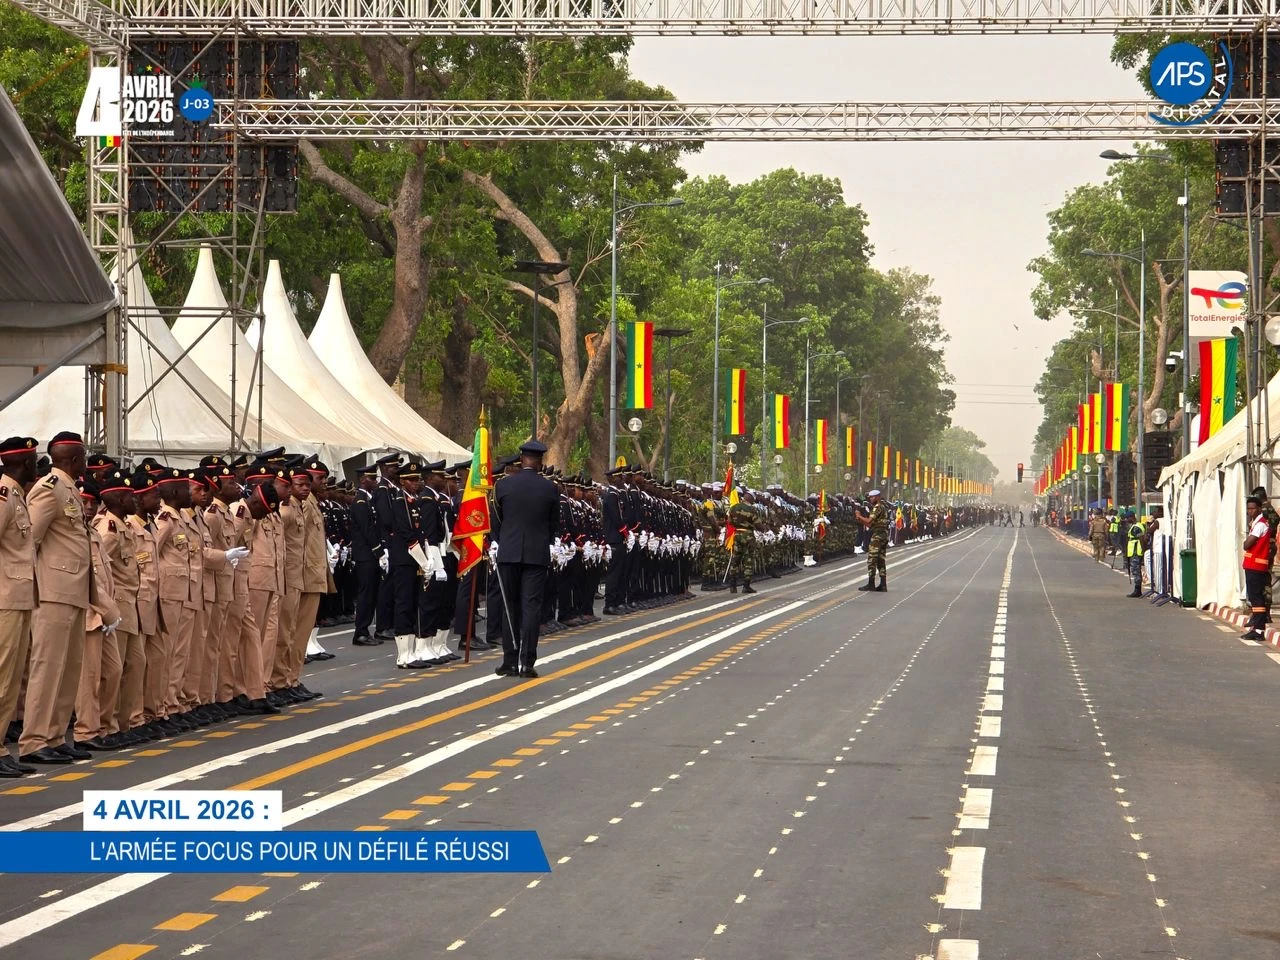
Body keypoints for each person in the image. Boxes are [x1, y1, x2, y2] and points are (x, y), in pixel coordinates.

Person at [20, 432, 100, 764]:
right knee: (47, 668)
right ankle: (33, 740)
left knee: (68, 669)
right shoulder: (49, 488)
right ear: (71, 459)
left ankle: (54, 735)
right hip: (53, 590)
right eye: (82, 457)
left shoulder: (69, 488)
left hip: (74, 590)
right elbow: (30, 541)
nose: (85, 463)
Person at [492, 439, 560, 678]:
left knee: (509, 607)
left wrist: (501, 541)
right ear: (540, 461)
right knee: (531, 608)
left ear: (521, 460)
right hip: (536, 554)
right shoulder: (550, 488)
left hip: (508, 552)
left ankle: (509, 660)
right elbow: (554, 524)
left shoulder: (503, 486)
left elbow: (497, 520)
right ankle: (527, 662)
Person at [0, 437, 38, 776]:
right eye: (32, 458)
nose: (35, 463)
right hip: (6, 597)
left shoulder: (17, 495)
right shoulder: (3, 494)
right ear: (21, 463)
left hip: (20, 595)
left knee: (11, 678)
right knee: (2, 675)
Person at [1242, 495, 1272, 643]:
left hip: (1256, 565)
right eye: (1248, 509)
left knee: (1256, 597)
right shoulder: (1256, 523)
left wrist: (1246, 540)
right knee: (1254, 597)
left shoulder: (1260, 525)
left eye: (1253, 508)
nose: (1250, 511)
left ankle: (1259, 629)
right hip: (1252, 565)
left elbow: (1247, 545)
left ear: (1259, 508)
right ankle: (1257, 627)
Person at [855, 489, 889, 592]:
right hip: (882, 534)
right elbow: (870, 524)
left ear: (878, 497)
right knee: (880, 560)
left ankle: (871, 584)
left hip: (878, 536)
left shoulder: (877, 507)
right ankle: (883, 585)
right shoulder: (883, 506)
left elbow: (869, 521)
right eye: (870, 497)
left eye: (872, 497)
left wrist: (859, 515)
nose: (870, 499)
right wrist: (860, 519)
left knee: (872, 560)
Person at [1124, 510, 1145, 598]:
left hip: (1136, 551)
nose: (1126, 519)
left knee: (1136, 571)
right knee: (1135, 570)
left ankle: (1138, 590)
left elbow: (1141, 539)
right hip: (1133, 551)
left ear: (1131, 517)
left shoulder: (1137, 527)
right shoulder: (1134, 526)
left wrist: (1143, 551)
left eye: (1127, 518)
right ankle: (1137, 589)